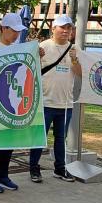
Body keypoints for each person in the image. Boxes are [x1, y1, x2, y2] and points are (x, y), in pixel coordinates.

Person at [0, 13, 44, 193]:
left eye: (18, 31)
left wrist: (36, 56)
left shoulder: (19, 49)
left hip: (12, 101)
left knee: (8, 141)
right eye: (13, 30)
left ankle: (2, 175)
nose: (16, 34)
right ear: (3, 29)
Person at [28, 15, 79, 183]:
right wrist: (37, 56)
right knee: (39, 137)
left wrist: (74, 59)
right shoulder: (43, 47)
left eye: (69, 28)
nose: (66, 31)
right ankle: (34, 168)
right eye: (62, 27)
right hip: (45, 102)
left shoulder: (75, 49)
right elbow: (30, 71)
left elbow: (80, 73)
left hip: (65, 104)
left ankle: (60, 168)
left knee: (60, 138)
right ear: (53, 28)